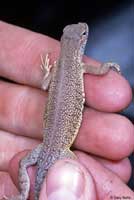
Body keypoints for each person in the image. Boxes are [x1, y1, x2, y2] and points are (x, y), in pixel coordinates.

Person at [0, 21, 133, 199]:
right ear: (81, 44)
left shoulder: (57, 69)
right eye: (83, 35)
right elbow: (101, 71)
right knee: (71, 171)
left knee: (24, 164)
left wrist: (47, 71)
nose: (84, 29)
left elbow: (44, 84)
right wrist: (107, 66)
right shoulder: (80, 67)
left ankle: (23, 195)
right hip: (60, 150)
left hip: (45, 147)